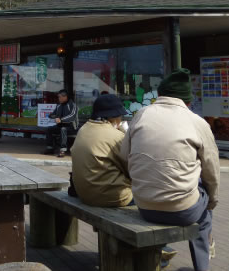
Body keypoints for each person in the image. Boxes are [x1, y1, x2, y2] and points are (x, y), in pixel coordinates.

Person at [121, 69, 220, 271]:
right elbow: (211, 171)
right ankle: (202, 266)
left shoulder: (141, 115)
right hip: (184, 211)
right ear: (188, 100)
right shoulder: (197, 122)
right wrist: (211, 202)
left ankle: (161, 255)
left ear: (160, 95)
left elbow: (124, 155)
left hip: (145, 206)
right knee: (204, 215)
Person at [71, 94, 177, 268]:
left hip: (85, 193)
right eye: (119, 115)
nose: (121, 118)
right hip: (111, 197)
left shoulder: (84, 129)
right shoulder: (114, 136)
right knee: (154, 200)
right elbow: (133, 169)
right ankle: (157, 246)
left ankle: (151, 246)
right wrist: (125, 136)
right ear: (113, 116)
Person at [44, 89, 78, 158]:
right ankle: (50, 148)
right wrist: (54, 117)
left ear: (65, 97)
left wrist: (61, 120)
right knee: (49, 129)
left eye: (60, 97)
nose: (58, 98)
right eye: (58, 97)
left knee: (63, 129)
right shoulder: (58, 105)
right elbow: (52, 114)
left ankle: (63, 150)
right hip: (60, 126)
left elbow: (72, 116)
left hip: (71, 127)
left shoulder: (73, 105)